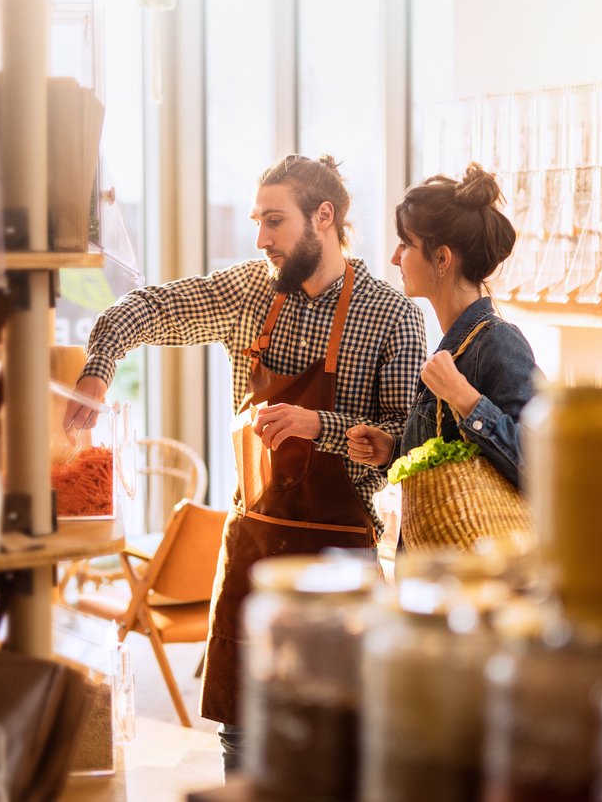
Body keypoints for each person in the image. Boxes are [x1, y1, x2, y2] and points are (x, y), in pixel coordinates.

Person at [63, 154, 427, 772]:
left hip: (341, 564)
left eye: (275, 222)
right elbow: (146, 307)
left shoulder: (391, 314)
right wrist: (99, 370)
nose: (261, 238)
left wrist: (325, 427)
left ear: (325, 217)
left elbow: (405, 445)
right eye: (259, 221)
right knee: (242, 738)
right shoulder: (251, 292)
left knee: (334, 740)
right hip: (254, 546)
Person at [346, 162, 540, 493]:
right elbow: (459, 467)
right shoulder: (453, 346)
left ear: (442, 259)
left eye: (405, 244)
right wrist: (394, 451)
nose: (395, 258)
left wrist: (464, 398)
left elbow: (539, 467)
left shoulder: (500, 342)